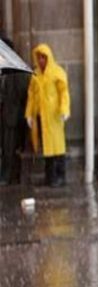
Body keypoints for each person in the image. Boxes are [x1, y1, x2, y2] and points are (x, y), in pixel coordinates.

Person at [24, 43, 70, 187]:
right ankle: (50, 177)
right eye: (39, 58)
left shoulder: (57, 73)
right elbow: (31, 95)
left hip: (54, 116)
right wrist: (29, 114)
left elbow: (64, 93)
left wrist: (64, 110)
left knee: (58, 147)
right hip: (41, 117)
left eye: (44, 57)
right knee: (47, 148)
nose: (41, 60)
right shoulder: (35, 75)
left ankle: (60, 176)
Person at [0, 36, 31, 186]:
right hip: (4, 115)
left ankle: (8, 177)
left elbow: (24, 95)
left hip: (12, 117)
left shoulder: (18, 71)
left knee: (9, 149)